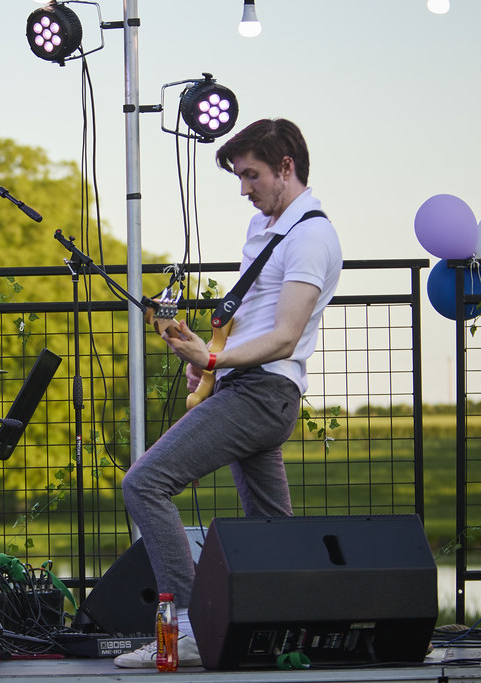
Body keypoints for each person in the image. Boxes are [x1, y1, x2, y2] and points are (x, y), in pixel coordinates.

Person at [115, 118, 342, 668]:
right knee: (271, 527)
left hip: (263, 394)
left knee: (144, 484)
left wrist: (214, 358)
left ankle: (190, 632)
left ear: (286, 167)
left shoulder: (311, 235)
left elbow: (286, 335)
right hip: (247, 387)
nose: (243, 188)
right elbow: (252, 325)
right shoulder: (266, 231)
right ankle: (301, 629)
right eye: (240, 176)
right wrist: (205, 365)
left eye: (251, 175)